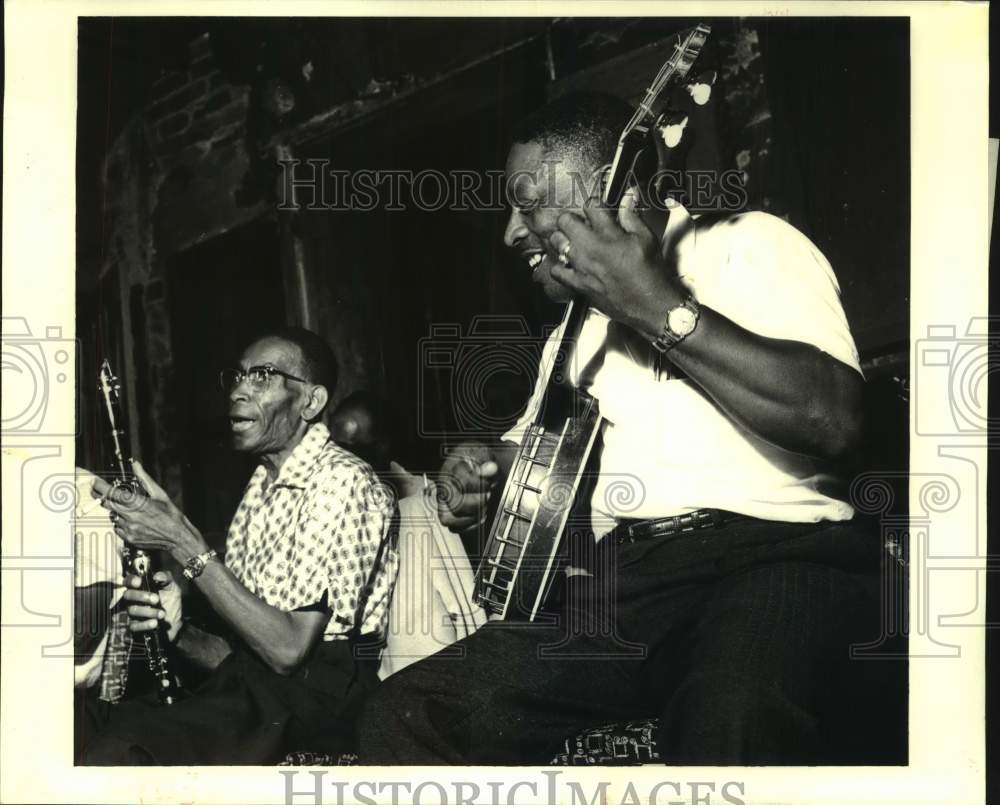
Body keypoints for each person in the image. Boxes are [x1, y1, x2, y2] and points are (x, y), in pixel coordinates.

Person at [359, 91, 883, 765]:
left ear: (612, 185)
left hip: (778, 555)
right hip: (629, 585)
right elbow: (533, 455)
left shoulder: (748, 246)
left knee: (734, 713)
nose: (511, 231)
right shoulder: (573, 333)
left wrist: (657, 308)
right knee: (410, 713)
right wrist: (484, 468)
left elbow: (832, 418)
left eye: (528, 201)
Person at [82, 327, 399, 765]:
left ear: (311, 401)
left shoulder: (342, 482)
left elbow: (288, 652)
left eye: (263, 376)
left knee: (121, 751)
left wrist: (180, 538)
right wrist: (178, 631)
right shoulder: (261, 485)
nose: (238, 391)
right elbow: (244, 657)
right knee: (81, 724)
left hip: (322, 705)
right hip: (260, 693)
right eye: (238, 376)